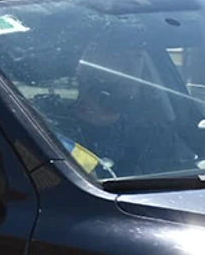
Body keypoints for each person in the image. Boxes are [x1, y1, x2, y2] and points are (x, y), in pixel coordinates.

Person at [46, 39, 197, 177]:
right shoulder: (48, 133)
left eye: (137, 57)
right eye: (118, 57)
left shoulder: (155, 133)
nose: (131, 69)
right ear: (84, 67)